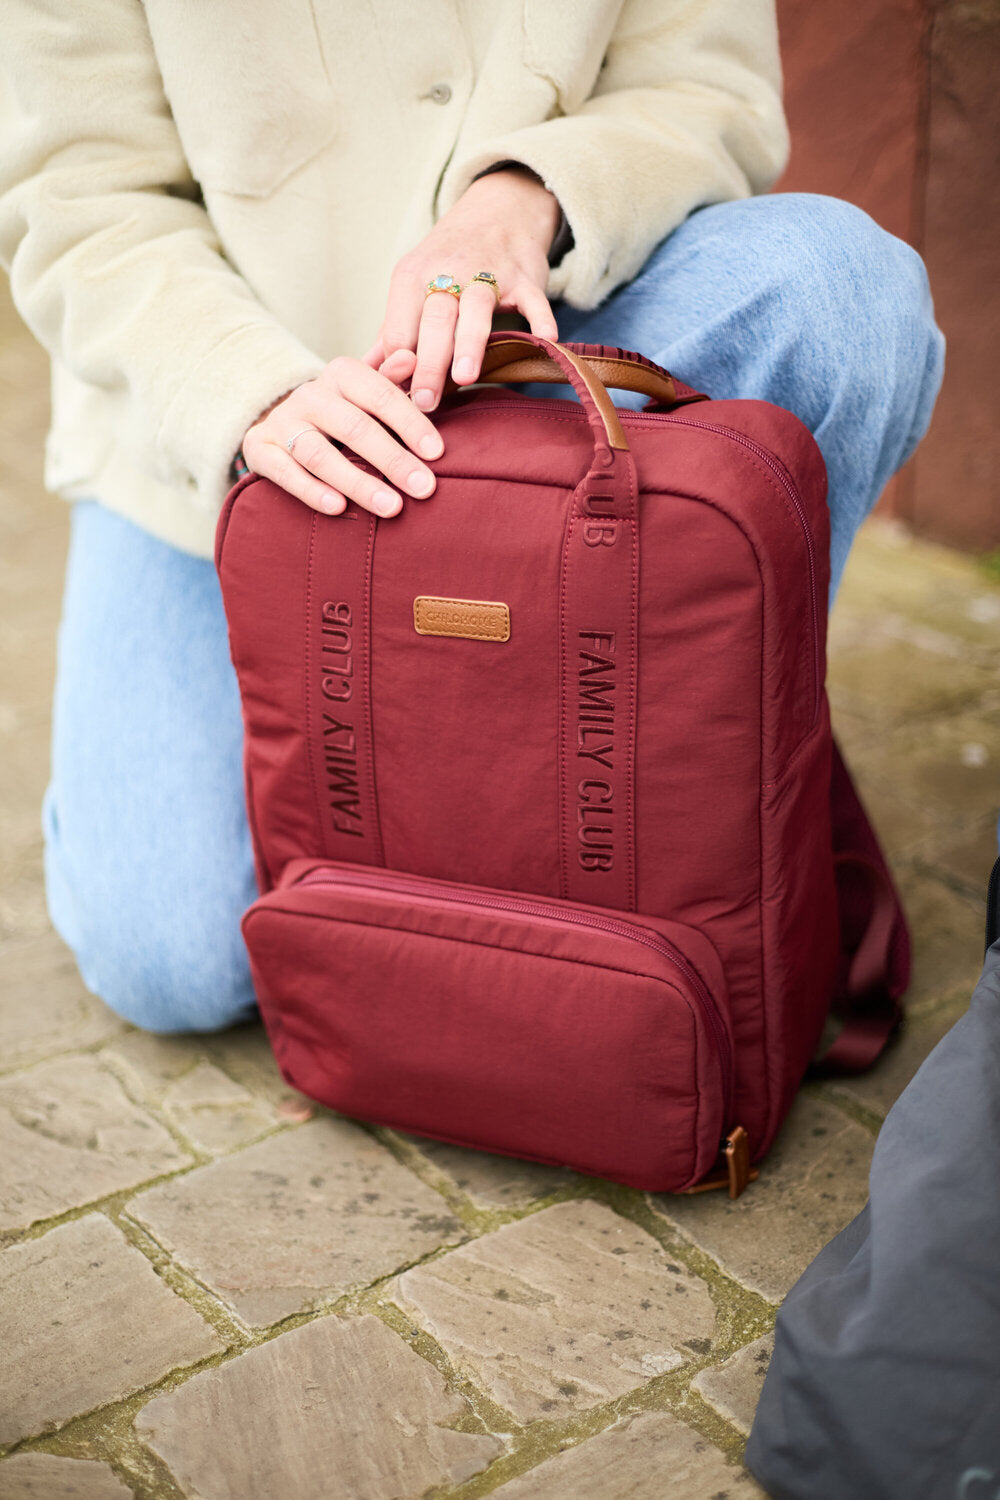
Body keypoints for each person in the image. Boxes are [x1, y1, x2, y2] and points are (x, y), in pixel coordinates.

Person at [0, 1, 944, 1033]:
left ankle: (709, 773)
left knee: (844, 295)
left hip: (564, 335)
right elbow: (77, 193)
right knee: (172, 966)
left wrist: (526, 195)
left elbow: (712, 86)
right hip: (246, 423)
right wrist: (243, 387)